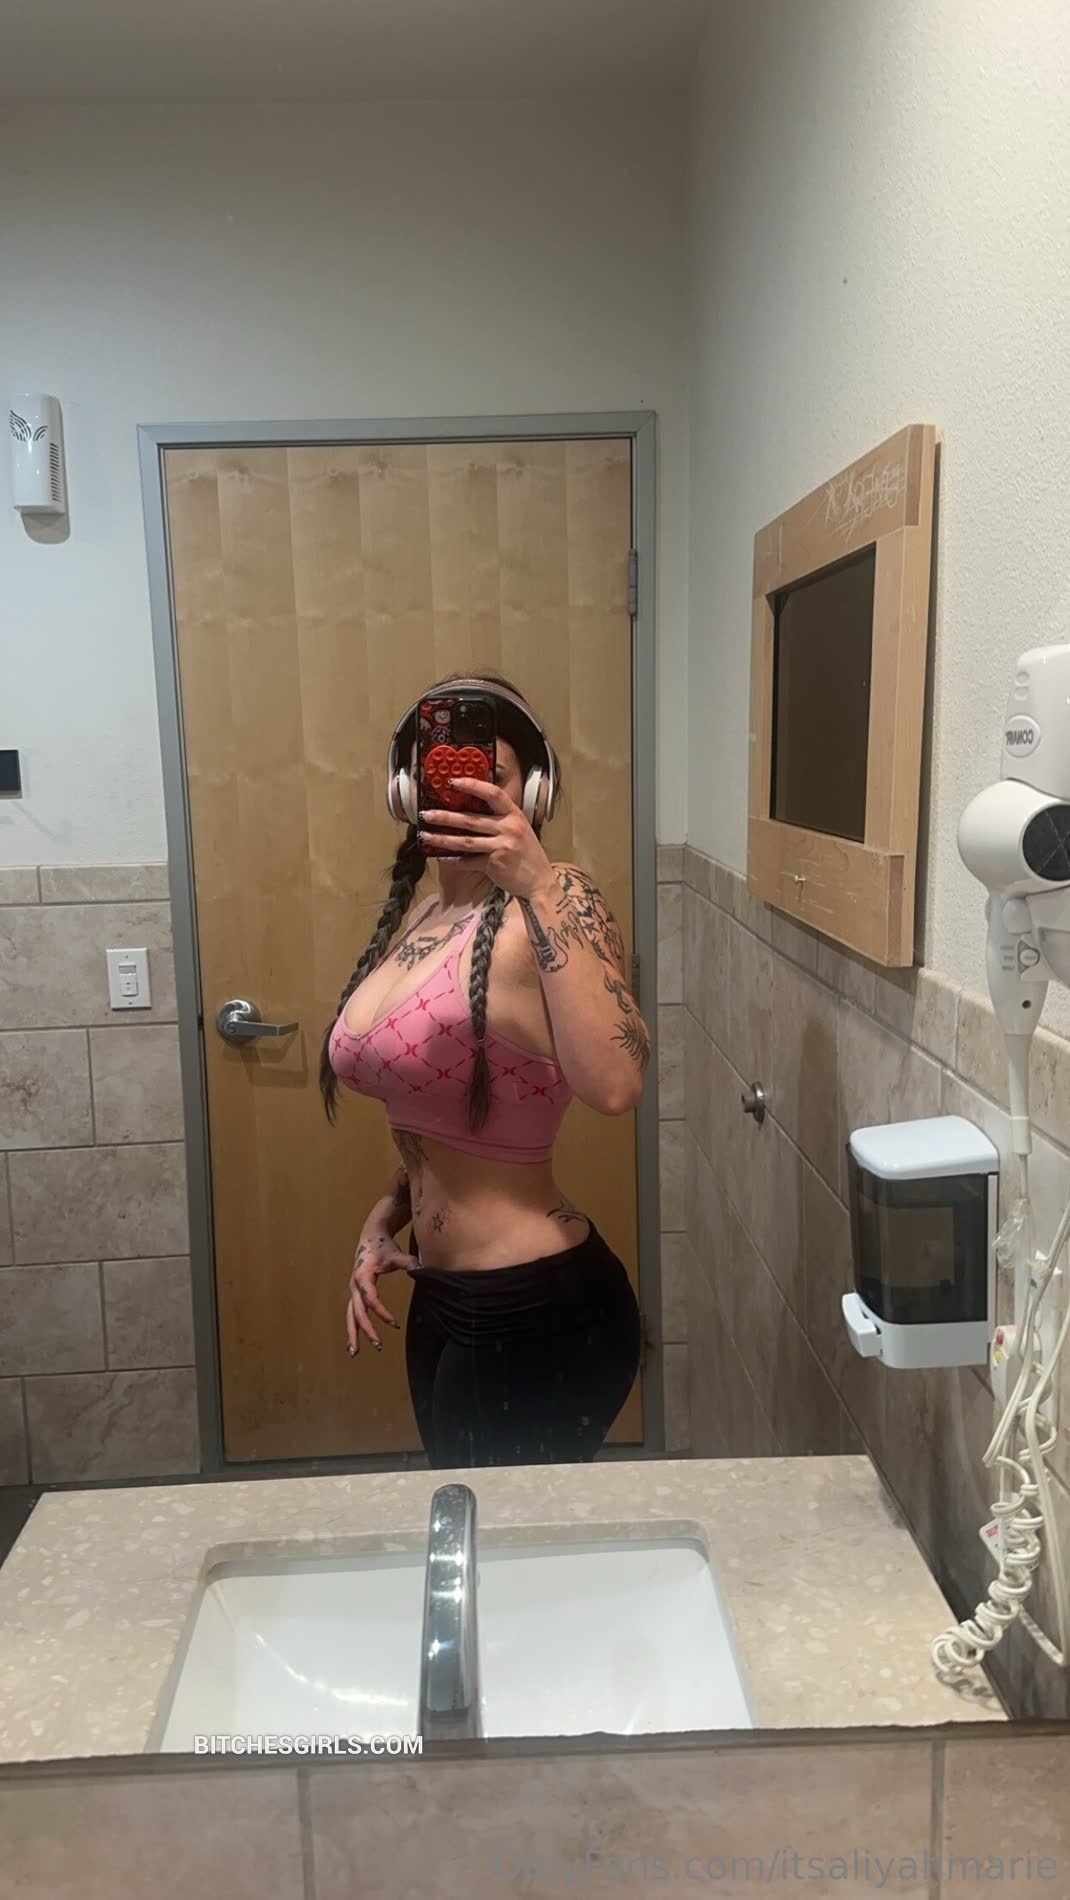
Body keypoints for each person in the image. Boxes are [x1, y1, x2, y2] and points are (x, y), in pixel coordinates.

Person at [321, 672, 648, 1467]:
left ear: (531, 793)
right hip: (445, 1296)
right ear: (407, 792)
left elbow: (616, 1085)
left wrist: (537, 881)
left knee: (506, 1536)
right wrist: (386, 1216)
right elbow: (442, 1120)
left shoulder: (558, 899)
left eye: (487, 777)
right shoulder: (427, 914)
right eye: (439, 775)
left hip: (535, 1305)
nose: (461, 793)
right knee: (470, 1515)